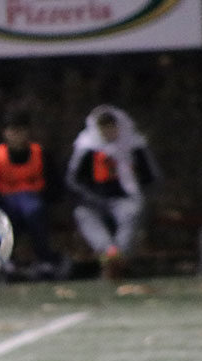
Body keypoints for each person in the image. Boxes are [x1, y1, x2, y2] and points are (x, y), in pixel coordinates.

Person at [66, 105, 161, 281]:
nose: (108, 131)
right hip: (94, 202)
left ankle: (116, 260)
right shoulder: (87, 147)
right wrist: (91, 197)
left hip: (125, 199)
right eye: (104, 127)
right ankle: (110, 252)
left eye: (111, 126)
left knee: (132, 212)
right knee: (83, 215)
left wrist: (142, 194)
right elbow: (73, 181)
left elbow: (151, 177)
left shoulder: (133, 146)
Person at [0, 109, 68, 280]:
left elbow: (55, 184)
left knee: (34, 211)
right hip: (5, 203)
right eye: (12, 131)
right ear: (5, 133)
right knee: (6, 219)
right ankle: (4, 261)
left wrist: (48, 199)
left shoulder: (41, 154)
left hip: (36, 202)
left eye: (21, 130)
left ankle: (45, 260)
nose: (17, 135)